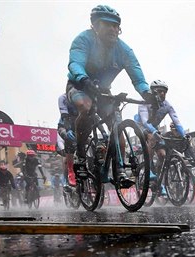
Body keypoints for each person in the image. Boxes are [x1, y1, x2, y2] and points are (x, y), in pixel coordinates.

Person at [66, 4, 156, 181]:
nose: (114, 29)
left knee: (117, 126)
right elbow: (75, 63)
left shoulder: (124, 49)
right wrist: (84, 79)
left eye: (116, 26)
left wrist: (146, 93)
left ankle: (119, 171)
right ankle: (81, 154)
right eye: (109, 25)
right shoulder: (83, 40)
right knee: (85, 107)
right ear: (96, 25)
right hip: (80, 84)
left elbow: (137, 74)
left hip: (103, 90)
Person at [134, 80, 187, 180]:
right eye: (159, 91)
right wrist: (153, 132)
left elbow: (177, 122)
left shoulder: (167, 105)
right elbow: (145, 122)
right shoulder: (144, 102)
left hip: (154, 128)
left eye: (164, 92)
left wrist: (184, 135)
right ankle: (148, 170)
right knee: (151, 138)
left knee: (162, 155)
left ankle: (159, 182)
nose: (162, 93)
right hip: (140, 126)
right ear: (153, 92)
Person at [57, 93, 78, 186]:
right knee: (66, 158)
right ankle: (66, 180)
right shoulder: (65, 101)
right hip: (64, 130)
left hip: (76, 130)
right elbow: (59, 141)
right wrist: (62, 150)